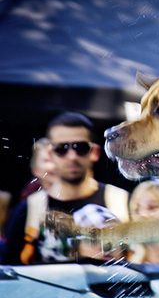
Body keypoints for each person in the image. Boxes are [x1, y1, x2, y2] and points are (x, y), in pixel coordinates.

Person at [2, 112, 129, 265]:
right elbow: (13, 274)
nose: (72, 156)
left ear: (94, 152)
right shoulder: (28, 210)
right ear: (50, 153)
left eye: (80, 147)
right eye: (62, 148)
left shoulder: (122, 203)